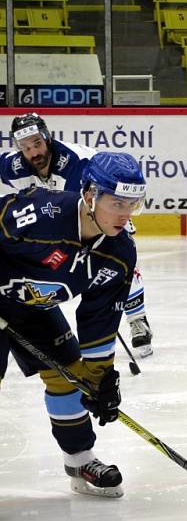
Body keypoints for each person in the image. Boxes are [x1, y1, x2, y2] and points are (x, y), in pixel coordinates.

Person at [0, 152, 147, 498]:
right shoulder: (40, 213)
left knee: (70, 375)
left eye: (133, 205)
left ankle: (79, 459)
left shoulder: (118, 253)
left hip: (32, 306)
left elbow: (100, 319)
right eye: (117, 203)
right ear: (90, 195)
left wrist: (99, 379)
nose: (125, 215)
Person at [0, 113, 155, 357]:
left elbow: (86, 212)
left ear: (48, 138)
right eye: (25, 147)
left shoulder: (74, 163)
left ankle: (137, 317)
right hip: (55, 216)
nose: (33, 153)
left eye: (37, 144)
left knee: (117, 256)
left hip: (105, 208)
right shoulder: (14, 165)